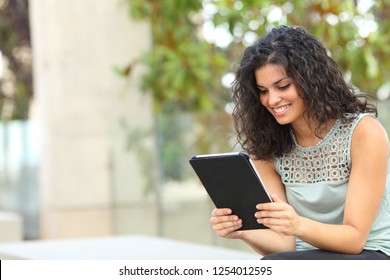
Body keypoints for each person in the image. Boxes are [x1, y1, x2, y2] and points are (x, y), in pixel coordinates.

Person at [210, 25, 390, 260]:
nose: (272, 100)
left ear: (311, 80)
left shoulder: (364, 132)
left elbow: (354, 239)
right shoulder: (267, 147)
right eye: (263, 91)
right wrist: (241, 230)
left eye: (282, 86)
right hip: (304, 259)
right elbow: (285, 247)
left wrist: (297, 225)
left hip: (371, 254)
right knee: (271, 264)